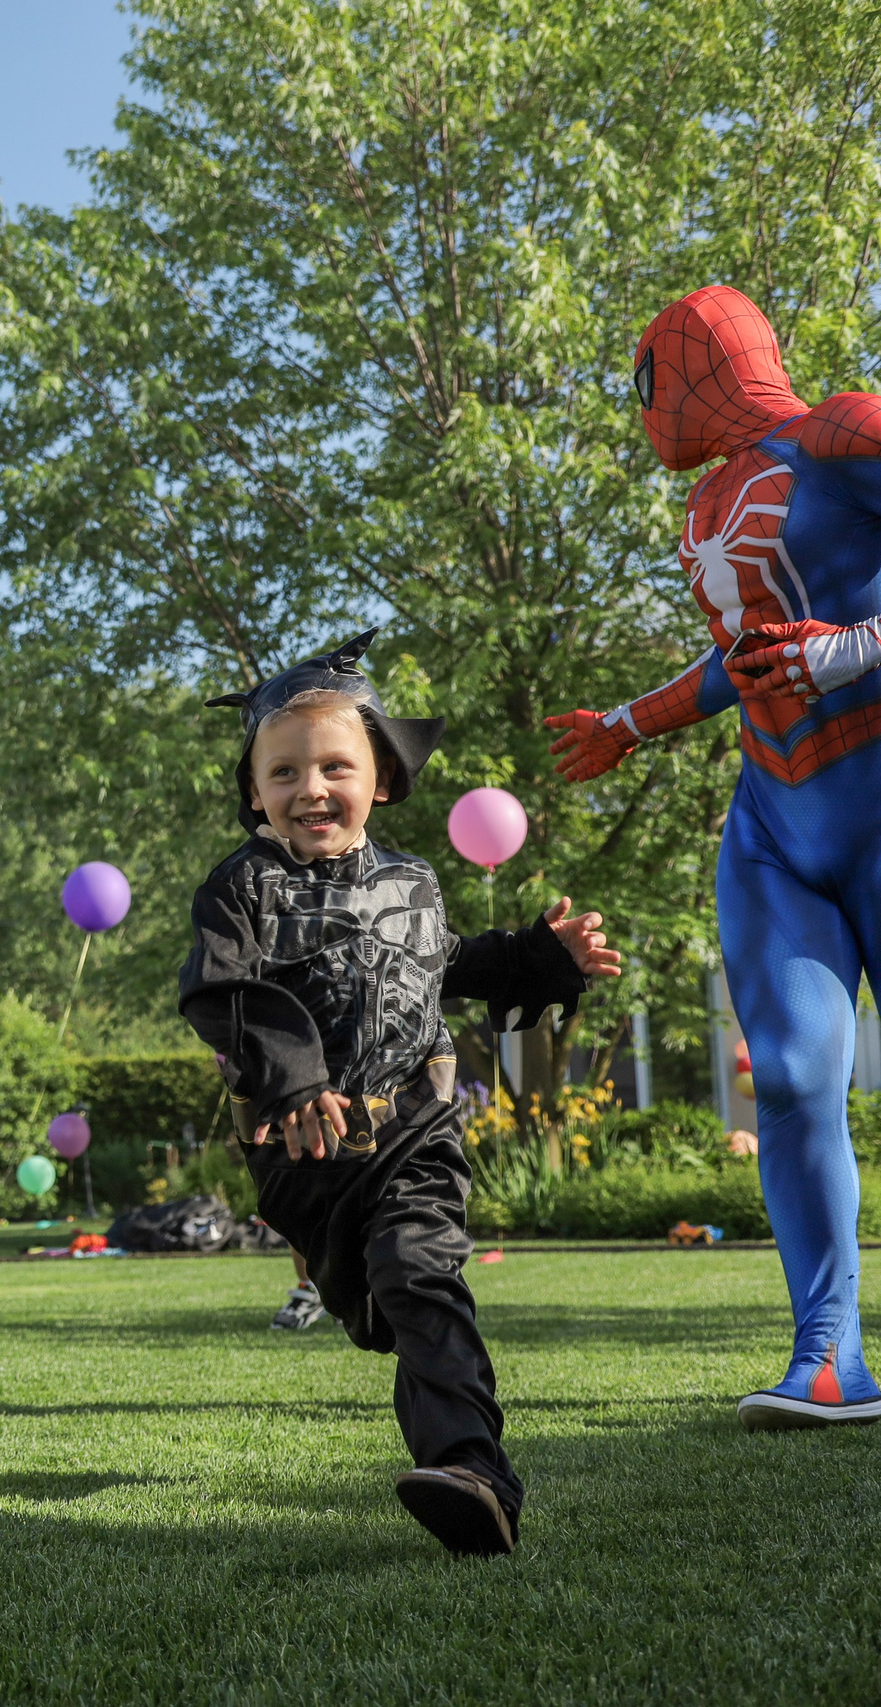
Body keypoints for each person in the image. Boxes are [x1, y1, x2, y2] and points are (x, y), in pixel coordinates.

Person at [181, 631, 620, 1557]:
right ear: (255, 790)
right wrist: (295, 1080)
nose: (311, 787)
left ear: (380, 777)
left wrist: (539, 958)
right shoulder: (242, 889)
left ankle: (474, 1476)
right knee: (380, 1304)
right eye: (285, 771)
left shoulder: (413, 880)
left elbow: (443, 965)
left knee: (423, 1277)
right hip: (305, 1162)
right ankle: (389, 1316)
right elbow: (221, 991)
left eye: (335, 765)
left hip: (415, 1130)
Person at [546, 285, 881, 1429]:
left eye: (649, 372)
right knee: (788, 1077)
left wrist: (852, 650)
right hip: (776, 823)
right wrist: (626, 725)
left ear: (699, 355)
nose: (644, 405)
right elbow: (744, 661)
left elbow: (817, 646)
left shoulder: (842, 429)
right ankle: (829, 1357)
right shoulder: (708, 499)